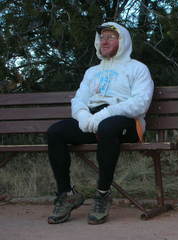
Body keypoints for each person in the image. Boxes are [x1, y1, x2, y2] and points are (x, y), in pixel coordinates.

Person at [46, 22, 154, 225]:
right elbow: (79, 99)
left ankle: (103, 194)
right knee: (56, 132)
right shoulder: (92, 72)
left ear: (122, 41)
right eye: (102, 37)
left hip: (127, 121)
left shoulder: (137, 68)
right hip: (94, 120)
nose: (104, 41)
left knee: (108, 127)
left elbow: (140, 103)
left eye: (111, 37)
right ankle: (66, 194)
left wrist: (104, 114)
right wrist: (84, 117)